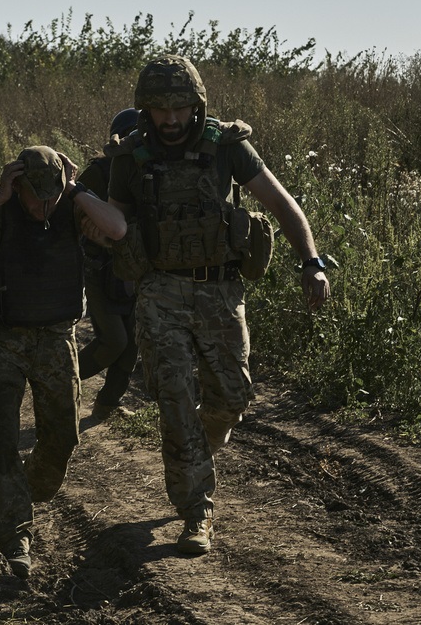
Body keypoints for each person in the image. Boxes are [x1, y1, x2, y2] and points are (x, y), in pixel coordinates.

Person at [106, 54, 330, 555]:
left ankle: (197, 448)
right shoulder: (131, 155)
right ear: (145, 109)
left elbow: (281, 203)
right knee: (175, 398)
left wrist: (311, 262)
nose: (170, 120)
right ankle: (197, 510)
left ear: (197, 105)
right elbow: (117, 222)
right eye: (159, 109)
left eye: (180, 108)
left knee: (232, 397)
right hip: (159, 292)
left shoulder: (227, 147)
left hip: (219, 289)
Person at [0, 146, 126, 578]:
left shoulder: (71, 202)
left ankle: (21, 489)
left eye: (50, 194)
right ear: (16, 183)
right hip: (3, 338)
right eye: (33, 196)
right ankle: (14, 533)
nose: (42, 205)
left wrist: (74, 190)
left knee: (63, 438)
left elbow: (116, 228)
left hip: (57, 337)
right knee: (1, 434)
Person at [76, 108, 142, 418]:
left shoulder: (152, 172)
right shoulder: (98, 173)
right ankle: (59, 384)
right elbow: (74, 220)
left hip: (135, 272)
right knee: (114, 341)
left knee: (130, 348)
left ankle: (106, 404)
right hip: (100, 269)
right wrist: (100, 238)